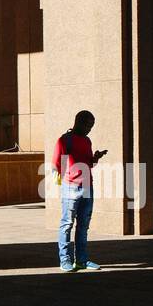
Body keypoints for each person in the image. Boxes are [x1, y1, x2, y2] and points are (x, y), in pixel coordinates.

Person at [52, 110, 107, 273]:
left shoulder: (87, 141)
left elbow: (88, 163)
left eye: (92, 125)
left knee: (83, 226)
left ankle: (82, 260)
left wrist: (95, 158)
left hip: (88, 187)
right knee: (67, 224)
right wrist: (66, 181)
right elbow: (56, 165)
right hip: (71, 187)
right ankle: (65, 260)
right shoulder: (65, 140)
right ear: (78, 121)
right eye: (88, 124)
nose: (90, 128)